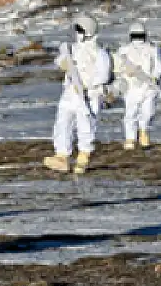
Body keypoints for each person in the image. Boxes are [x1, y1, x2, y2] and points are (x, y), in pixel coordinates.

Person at [45, 14, 112, 174]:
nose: (76, 32)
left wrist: (86, 85)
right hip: (70, 93)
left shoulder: (99, 53)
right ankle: (62, 156)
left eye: (79, 29)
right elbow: (61, 60)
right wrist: (63, 63)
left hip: (89, 95)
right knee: (63, 123)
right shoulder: (72, 49)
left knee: (86, 126)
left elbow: (103, 75)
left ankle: (83, 157)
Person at [114, 22, 161, 150]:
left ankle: (143, 133)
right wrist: (125, 73)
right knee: (131, 113)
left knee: (148, 112)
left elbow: (159, 65)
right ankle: (130, 138)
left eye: (140, 35)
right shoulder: (124, 50)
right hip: (131, 87)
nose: (138, 38)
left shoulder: (152, 49)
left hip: (148, 86)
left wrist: (154, 77)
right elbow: (117, 67)